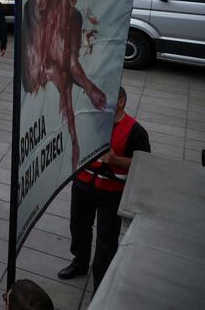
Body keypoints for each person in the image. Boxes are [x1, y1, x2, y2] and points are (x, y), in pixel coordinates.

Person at [58, 86, 150, 289]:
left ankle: (101, 284)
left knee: (106, 241)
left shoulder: (135, 131)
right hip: (83, 184)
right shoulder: (90, 120)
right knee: (78, 227)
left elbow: (144, 164)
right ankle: (80, 263)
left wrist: (117, 160)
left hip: (112, 192)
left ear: (121, 102)